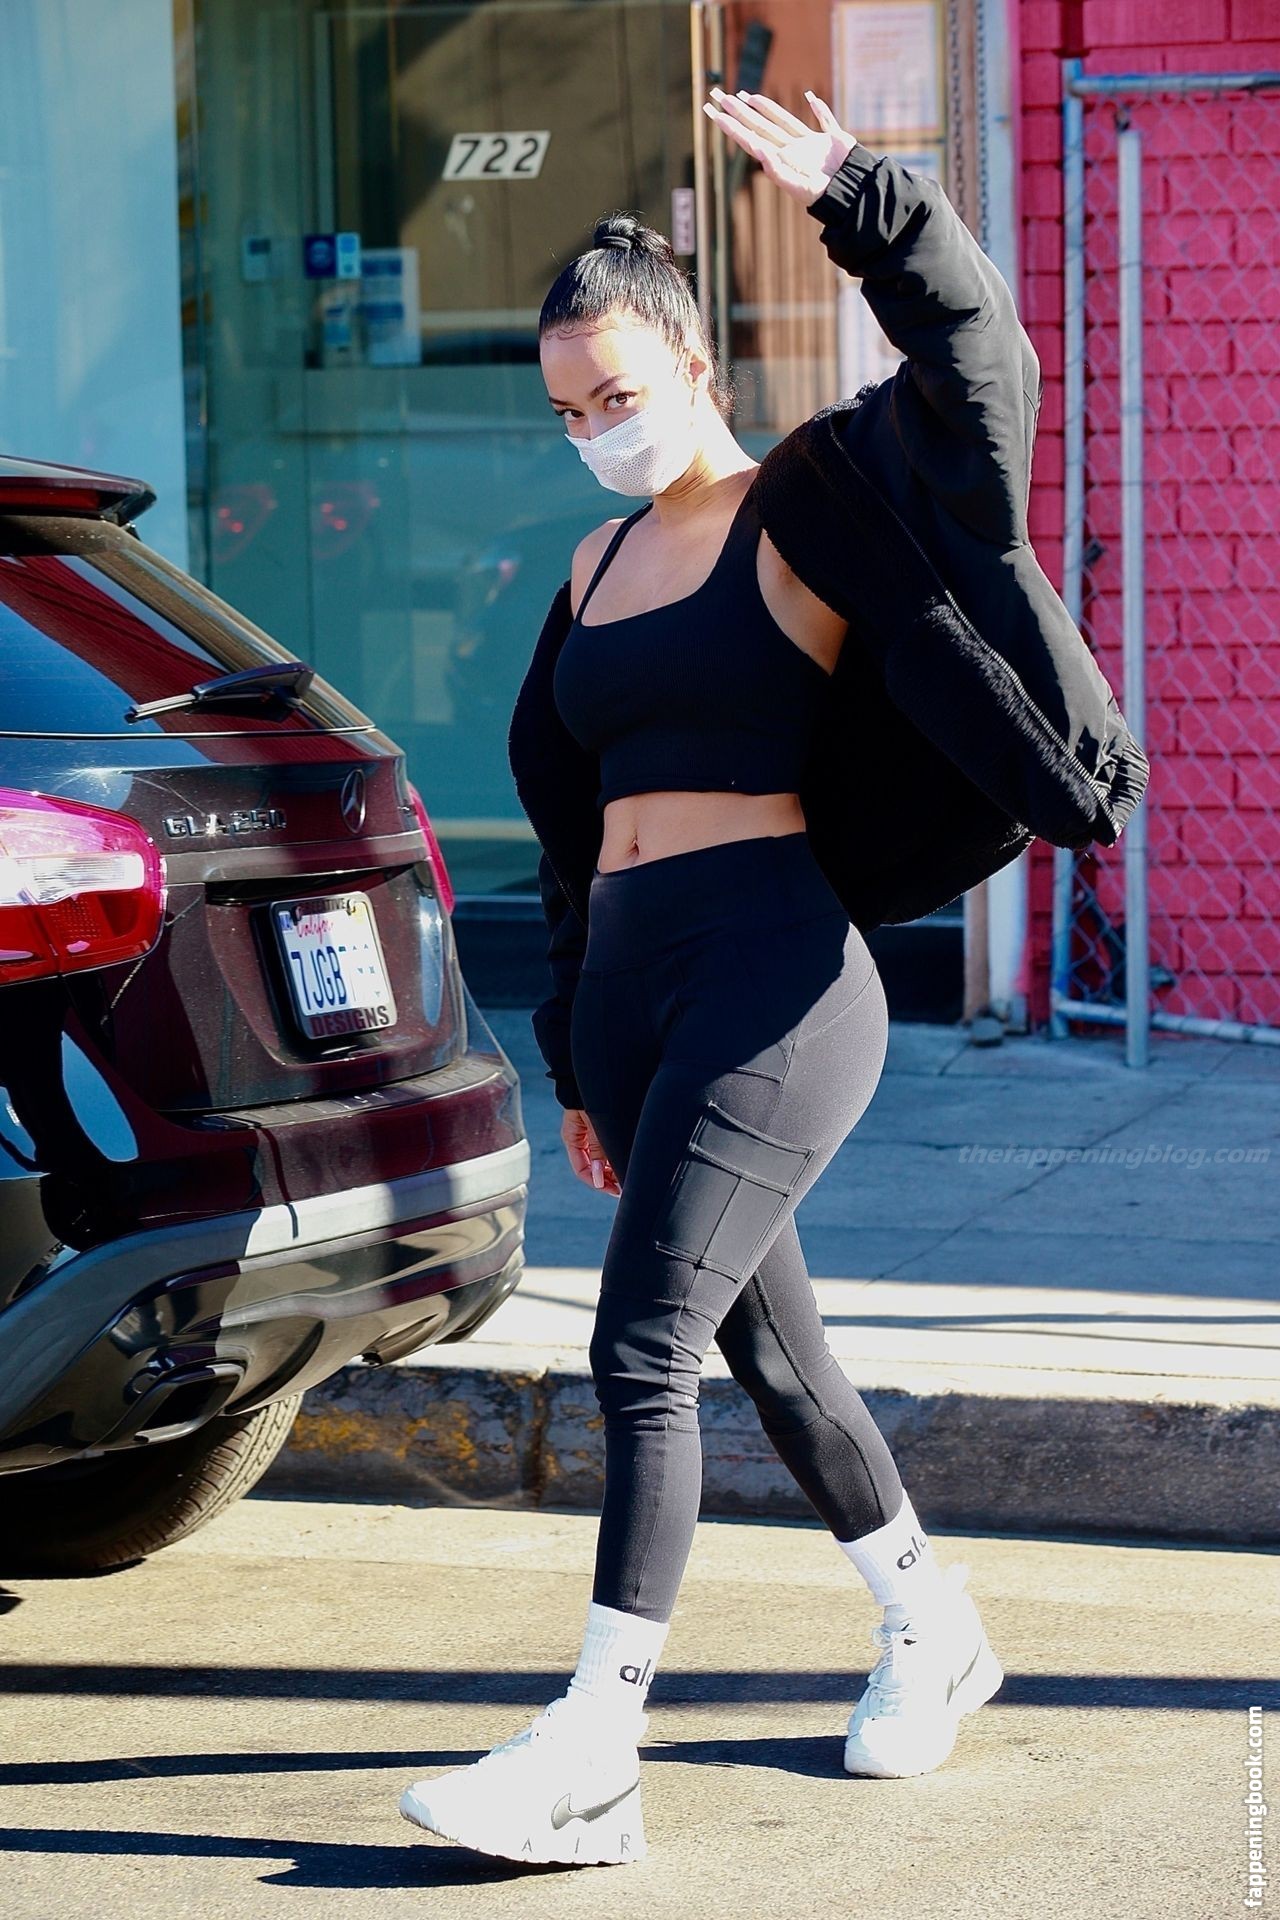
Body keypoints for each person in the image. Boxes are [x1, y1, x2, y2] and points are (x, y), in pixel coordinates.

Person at [400, 83, 1128, 1870]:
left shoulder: (808, 505)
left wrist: (872, 204)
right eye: (569, 412)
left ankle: (594, 1753)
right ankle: (931, 1626)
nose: (596, 434)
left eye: (619, 396)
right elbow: (572, 829)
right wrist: (578, 1053)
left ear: (693, 362)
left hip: (778, 977)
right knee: (773, 1353)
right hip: (640, 994)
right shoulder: (591, 565)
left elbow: (987, 380)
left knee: (640, 1339)